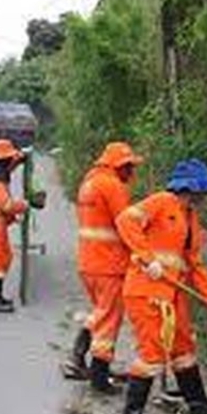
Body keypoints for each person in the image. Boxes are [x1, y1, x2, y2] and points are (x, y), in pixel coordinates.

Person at [115, 158, 207, 414]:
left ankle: (199, 406)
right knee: (152, 355)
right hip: (147, 291)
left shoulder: (190, 217)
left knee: (184, 349)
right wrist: (147, 258)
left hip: (174, 293)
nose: (206, 197)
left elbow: (195, 265)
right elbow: (125, 221)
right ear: (191, 188)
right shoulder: (162, 202)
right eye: (203, 191)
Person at [62, 142, 144, 394]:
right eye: (129, 167)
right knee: (109, 321)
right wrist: (144, 253)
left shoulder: (89, 182)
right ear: (120, 166)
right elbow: (126, 224)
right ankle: (99, 378)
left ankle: (77, 358)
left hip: (89, 262)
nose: (132, 172)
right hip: (109, 264)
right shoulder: (112, 186)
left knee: (101, 312)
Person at [0, 138, 42, 313]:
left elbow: (11, 165)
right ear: (3, 160)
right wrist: (24, 205)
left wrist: (22, 156)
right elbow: (6, 205)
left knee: (5, 256)